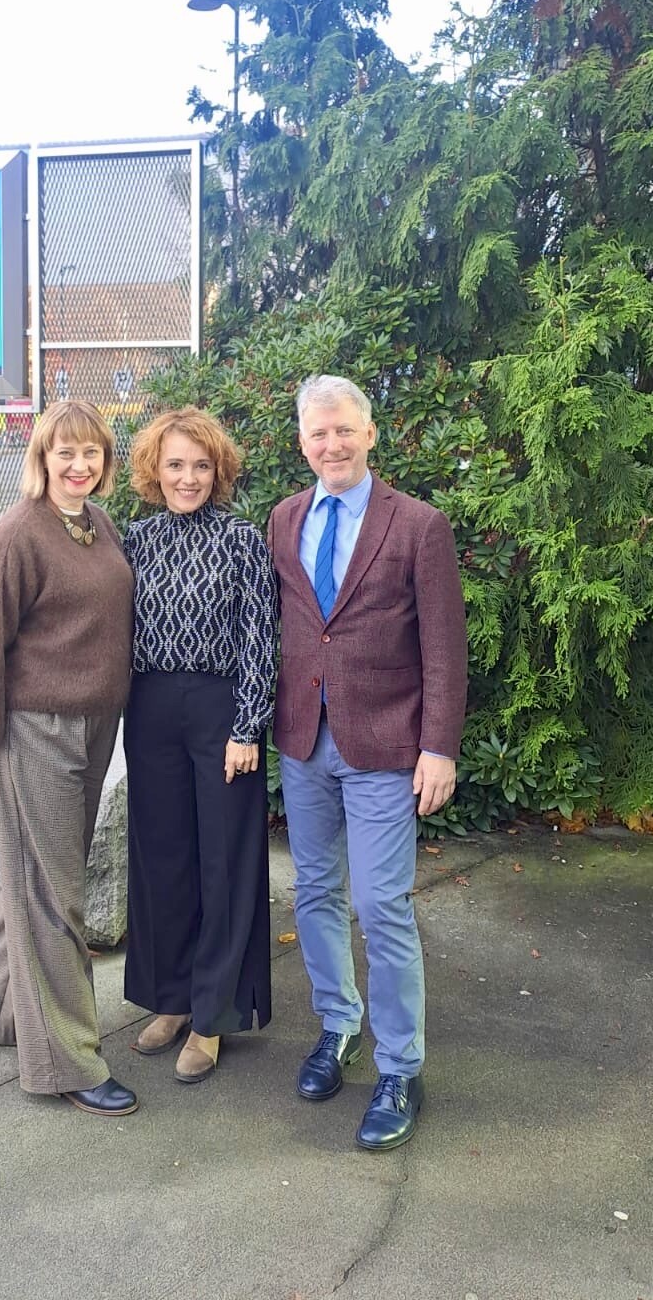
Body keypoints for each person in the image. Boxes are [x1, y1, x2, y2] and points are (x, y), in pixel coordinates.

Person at [267, 374, 467, 1150]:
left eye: (345, 430)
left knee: (382, 904)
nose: (333, 444)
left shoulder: (417, 525)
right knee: (315, 890)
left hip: (386, 743)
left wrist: (438, 747)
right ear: (303, 443)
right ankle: (338, 1025)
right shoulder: (285, 518)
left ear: (371, 434)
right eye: (319, 434)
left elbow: (444, 648)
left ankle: (401, 1067)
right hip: (304, 741)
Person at [0, 399, 139, 1118]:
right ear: (41, 457)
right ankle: (68, 1062)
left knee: (33, 879)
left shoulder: (97, 524)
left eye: (91, 452)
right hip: (36, 731)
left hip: (95, 727)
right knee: (56, 896)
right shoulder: (15, 537)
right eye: (66, 452)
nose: (79, 465)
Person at [122, 408, 277, 1084]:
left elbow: (261, 635)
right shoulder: (136, 539)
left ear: (220, 471)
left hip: (221, 711)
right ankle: (173, 997)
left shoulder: (242, 539)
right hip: (150, 708)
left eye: (201, 466)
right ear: (154, 471)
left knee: (224, 861)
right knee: (163, 859)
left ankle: (213, 1015)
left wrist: (247, 726)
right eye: (176, 465)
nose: (188, 478)